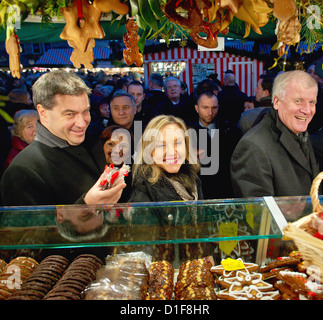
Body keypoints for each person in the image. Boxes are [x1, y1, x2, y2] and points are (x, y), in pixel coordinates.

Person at [1, 70, 126, 206]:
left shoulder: (93, 142)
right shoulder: (22, 171)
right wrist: (86, 205)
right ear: (43, 113)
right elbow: (34, 226)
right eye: (70, 114)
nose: (82, 122)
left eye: (85, 111)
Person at [129, 115, 214, 263]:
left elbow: (200, 225)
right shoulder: (143, 190)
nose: (171, 152)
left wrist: (206, 252)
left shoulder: (193, 179)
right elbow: (145, 253)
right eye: (161, 145)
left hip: (194, 269)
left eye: (177, 143)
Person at [231, 70, 320, 198]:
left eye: (312, 102)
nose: (307, 110)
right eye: (299, 101)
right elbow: (258, 214)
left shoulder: (300, 131)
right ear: (277, 102)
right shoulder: (253, 146)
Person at [190, 91, 241, 199]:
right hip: (198, 192)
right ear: (197, 108)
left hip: (225, 191)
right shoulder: (187, 133)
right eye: (205, 108)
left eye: (214, 107)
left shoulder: (230, 132)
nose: (210, 112)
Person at [99, 125, 133, 203]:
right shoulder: (89, 175)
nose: (117, 150)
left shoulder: (136, 180)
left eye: (123, 146)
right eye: (111, 144)